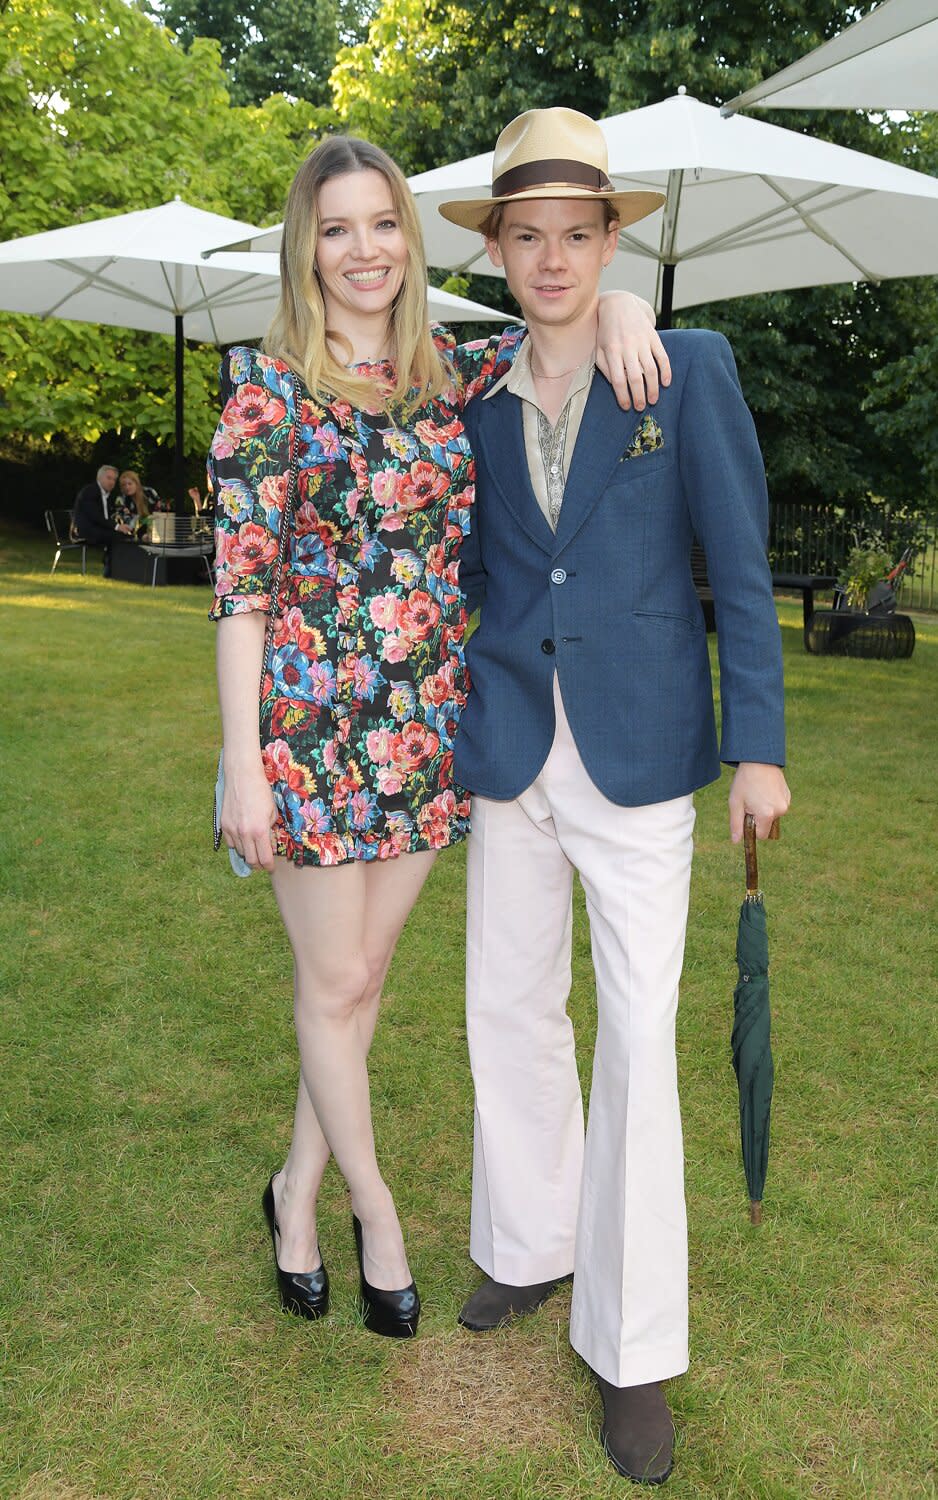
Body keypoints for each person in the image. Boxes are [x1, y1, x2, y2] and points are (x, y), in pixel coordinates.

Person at [208, 134, 668, 1340]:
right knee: (333, 981)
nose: (363, 250)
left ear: (410, 240)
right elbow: (242, 594)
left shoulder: (452, 378)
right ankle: (374, 1213)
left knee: (361, 986)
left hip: (422, 728)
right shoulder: (267, 394)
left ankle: (291, 1189)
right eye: (337, 227)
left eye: (382, 224)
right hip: (306, 736)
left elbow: (558, 310)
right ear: (305, 247)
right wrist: (242, 762)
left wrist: (622, 296)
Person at [440, 108, 791, 1483]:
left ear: (606, 242)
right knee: (506, 1004)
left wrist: (755, 742)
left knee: (637, 1039)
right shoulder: (471, 394)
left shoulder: (684, 368)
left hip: (641, 757)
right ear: (498, 249)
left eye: (575, 235)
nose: (548, 257)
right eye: (523, 235)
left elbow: (740, 565)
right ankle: (528, 1246)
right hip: (513, 748)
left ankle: (634, 1351)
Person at [73, 465, 131, 548]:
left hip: (100, 529)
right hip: (87, 531)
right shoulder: (90, 491)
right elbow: (95, 516)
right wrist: (117, 526)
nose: (112, 482)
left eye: (114, 480)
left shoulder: (107, 495)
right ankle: (113, 560)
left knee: (127, 536)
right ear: (99, 478)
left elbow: (108, 515)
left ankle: (113, 560)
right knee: (121, 537)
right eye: (109, 478)